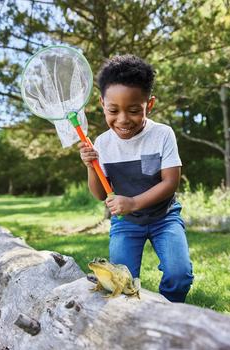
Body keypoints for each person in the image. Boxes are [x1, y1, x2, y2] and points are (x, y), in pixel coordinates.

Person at [78, 54, 194, 303]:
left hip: (165, 217)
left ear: (148, 105)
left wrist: (132, 202)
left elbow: (170, 182)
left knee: (179, 274)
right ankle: (130, 319)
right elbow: (100, 194)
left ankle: (170, 311)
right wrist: (91, 165)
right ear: (102, 104)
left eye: (133, 110)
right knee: (120, 282)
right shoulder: (102, 143)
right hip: (126, 223)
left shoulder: (162, 134)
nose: (122, 119)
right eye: (113, 110)